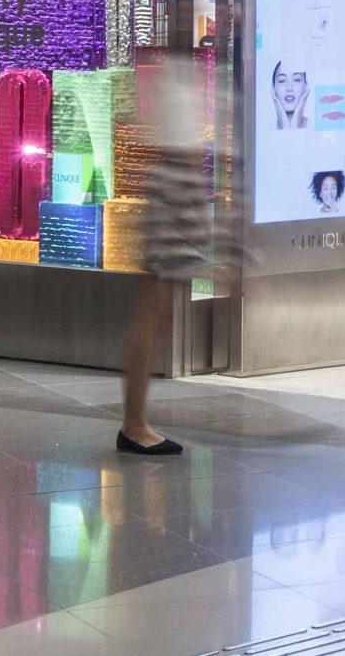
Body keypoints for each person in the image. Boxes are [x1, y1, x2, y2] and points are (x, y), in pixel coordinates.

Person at [118, 52, 226, 455]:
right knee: (152, 312)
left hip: (172, 187)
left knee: (155, 313)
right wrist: (197, 215)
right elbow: (187, 150)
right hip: (174, 189)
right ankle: (134, 424)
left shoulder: (178, 72)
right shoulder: (180, 73)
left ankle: (135, 422)